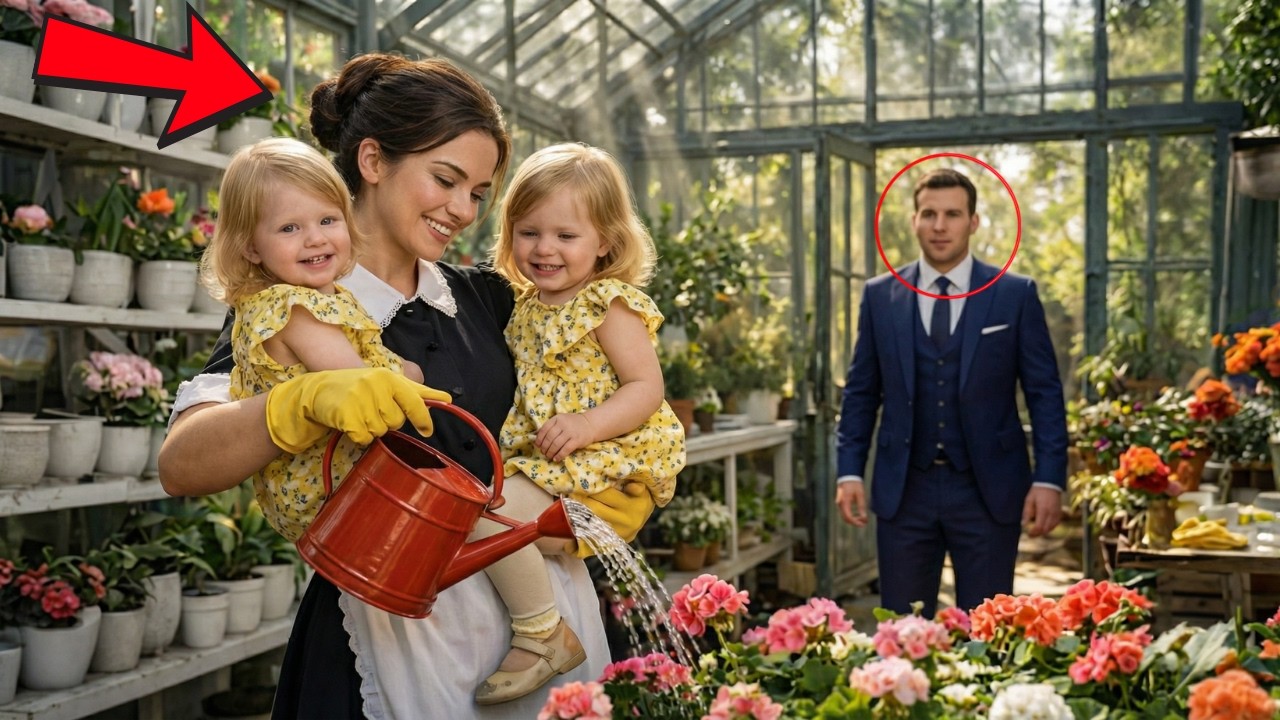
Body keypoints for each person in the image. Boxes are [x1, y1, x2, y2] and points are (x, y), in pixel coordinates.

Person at [158, 53, 655, 719]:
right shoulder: (294, 304)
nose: (463, 210)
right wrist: (292, 405)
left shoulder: (490, 298)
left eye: (478, 193)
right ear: (372, 160)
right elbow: (182, 464)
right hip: (387, 626)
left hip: (544, 619)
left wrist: (615, 486)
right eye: (446, 179)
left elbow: (613, 383)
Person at [474, 143, 685, 704]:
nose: (544, 249)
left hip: (600, 462)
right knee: (483, 516)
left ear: (605, 241)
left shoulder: (606, 304)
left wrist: (589, 424)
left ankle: (542, 633)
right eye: (529, 232)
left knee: (488, 516)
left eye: (565, 235)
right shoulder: (524, 308)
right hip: (553, 464)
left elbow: (645, 387)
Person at [833, 167, 1068, 617]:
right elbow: (861, 392)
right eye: (929, 214)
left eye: (953, 214)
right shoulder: (880, 296)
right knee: (902, 631)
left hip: (989, 490)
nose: (939, 226)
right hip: (905, 491)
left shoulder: (1014, 294)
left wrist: (1049, 478)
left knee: (988, 629)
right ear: (914, 221)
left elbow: (1044, 394)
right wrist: (848, 472)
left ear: (973, 222)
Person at [201, 136, 427, 543]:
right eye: (289, 228)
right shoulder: (294, 310)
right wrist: (409, 372)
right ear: (251, 247)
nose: (316, 239)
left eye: (328, 220)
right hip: (329, 490)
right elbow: (360, 383)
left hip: (324, 489)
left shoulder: (322, 299)